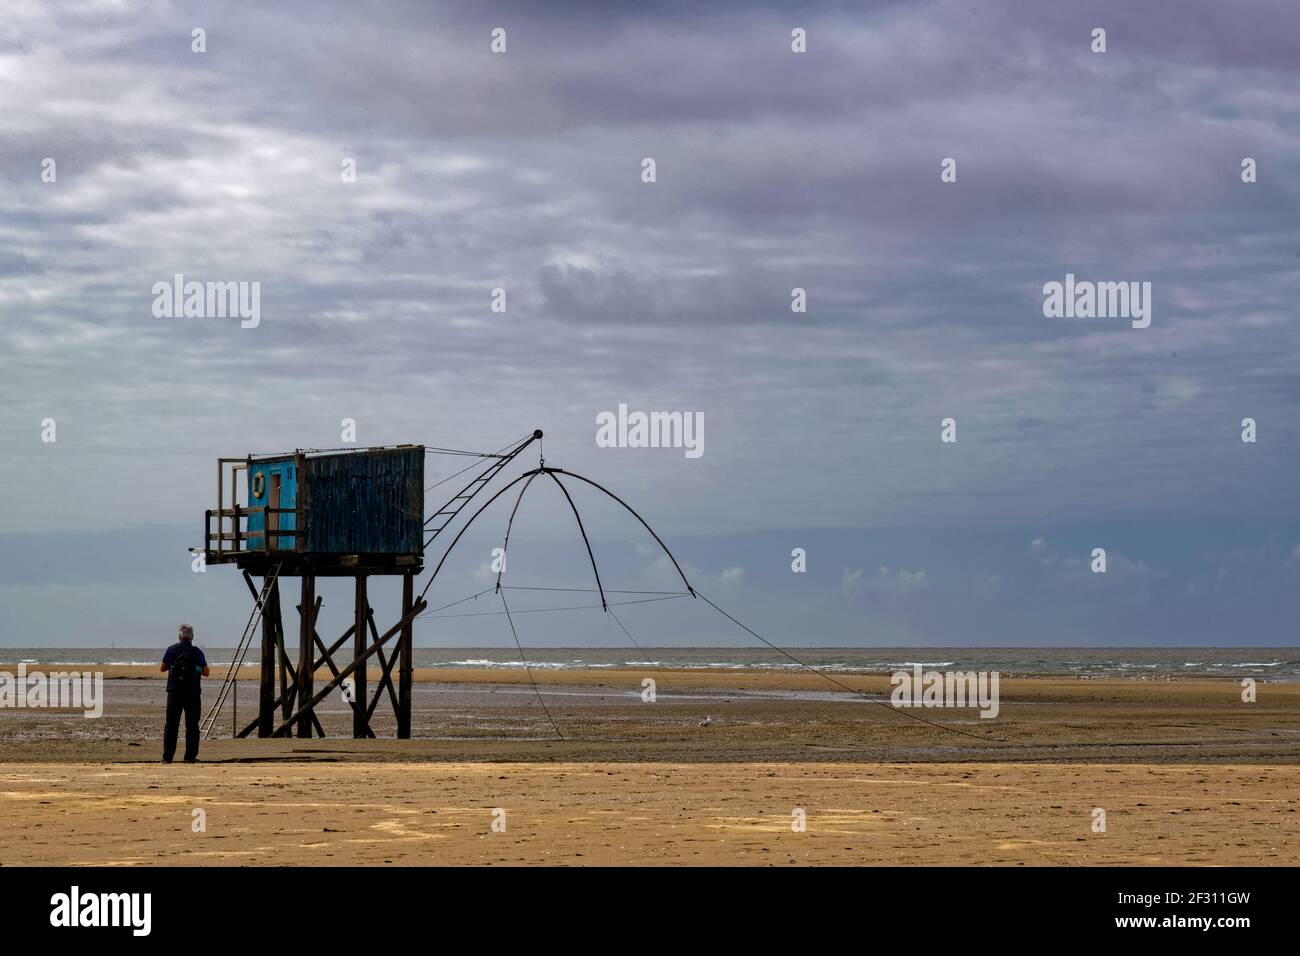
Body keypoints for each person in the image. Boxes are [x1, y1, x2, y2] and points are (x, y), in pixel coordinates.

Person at [160, 624, 210, 763]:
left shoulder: (172, 649)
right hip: (193, 693)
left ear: (179, 637)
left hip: (174, 692)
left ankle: (167, 757)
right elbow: (206, 672)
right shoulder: (197, 652)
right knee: (192, 726)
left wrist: (173, 666)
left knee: (171, 725)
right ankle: (190, 757)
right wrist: (197, 668)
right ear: (192, 637)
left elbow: (162, 668)